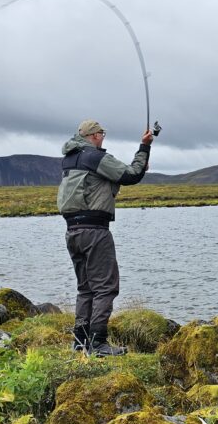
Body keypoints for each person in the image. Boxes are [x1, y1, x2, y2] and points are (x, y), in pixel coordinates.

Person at [57, 119, 154, 355]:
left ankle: (80, 342)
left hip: (73, 231)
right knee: (106, 288)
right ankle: (98, 343)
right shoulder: (95, 157)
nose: (103, 137)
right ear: (95, 135)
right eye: (102, 133)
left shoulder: (70, 158)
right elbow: (131, 175)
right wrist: (145, 147)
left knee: (86, 289)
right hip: (95, 231)